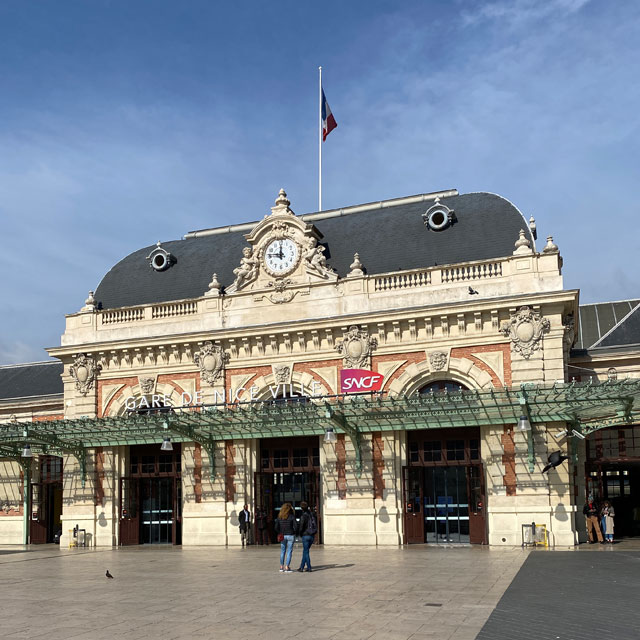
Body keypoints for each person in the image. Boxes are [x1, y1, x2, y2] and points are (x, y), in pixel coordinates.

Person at [274, 502, 297, 572]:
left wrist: (279, 532)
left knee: (282, 551)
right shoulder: (292, 516)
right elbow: (296, 526)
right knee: (289, 551)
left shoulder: (279, 517)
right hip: (290, 535)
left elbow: (276, 527)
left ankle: (281, 566)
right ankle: (287, 567)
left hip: (282, 535)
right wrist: (294, 531)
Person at [297, 501, 316, 573]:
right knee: (305, 551)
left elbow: (301, 527)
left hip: (305, 535)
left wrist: (300, 534)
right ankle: (301, 567)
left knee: (306, 552)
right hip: (312, 535)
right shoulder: (312, 515)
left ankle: (309, 567)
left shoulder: (303, 516)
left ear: (302, 508)